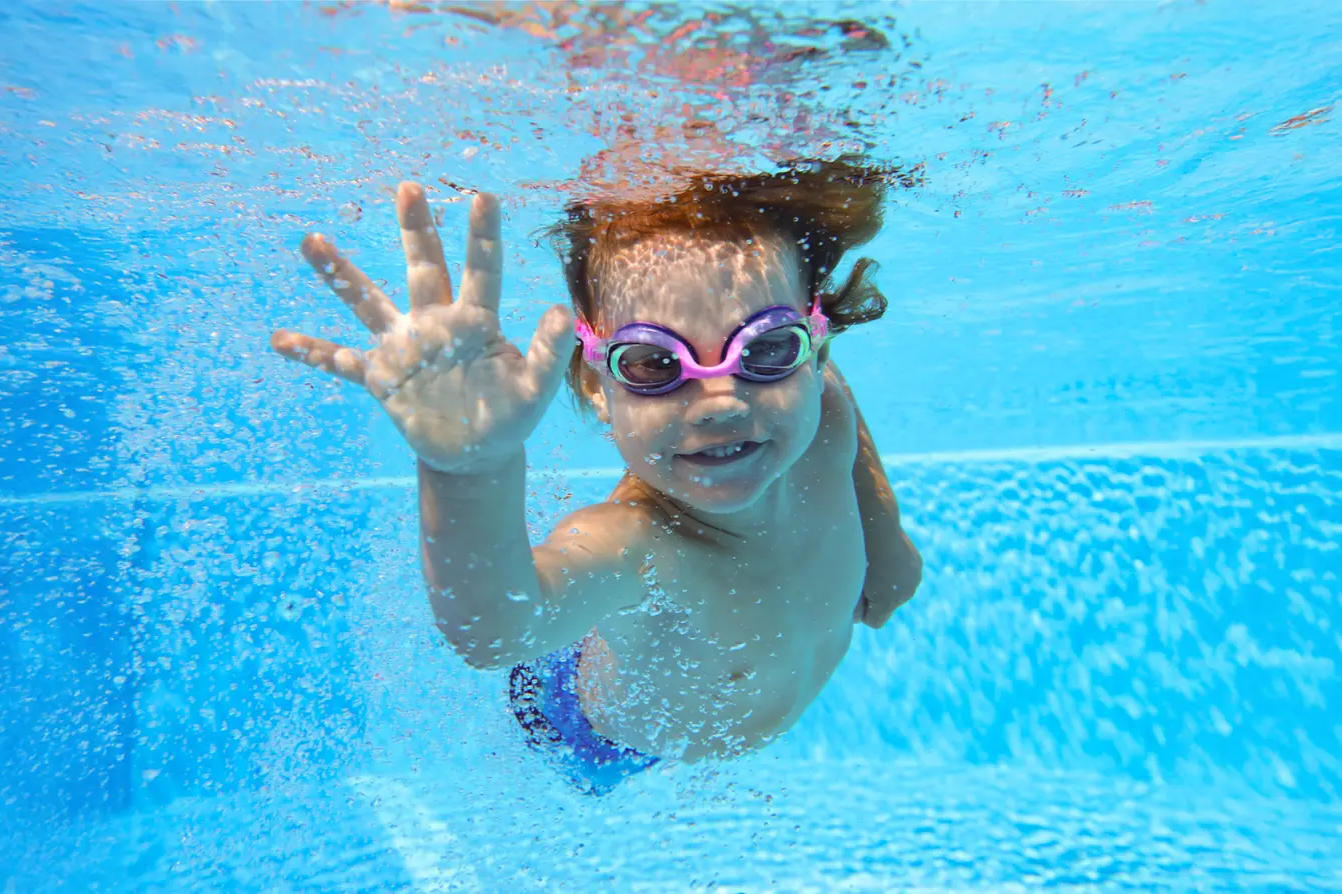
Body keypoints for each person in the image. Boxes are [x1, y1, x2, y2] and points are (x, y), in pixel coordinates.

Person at [270, 158, 921, 794]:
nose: (722, 399)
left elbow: (886, 574)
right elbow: (495, 631)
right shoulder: (633, 544)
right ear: (597, 386)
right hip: (587, 730)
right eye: (650, 364)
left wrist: (887, 556)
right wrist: (469, 470)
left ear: (814, 351)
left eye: (767, 348)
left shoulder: (827, 407)